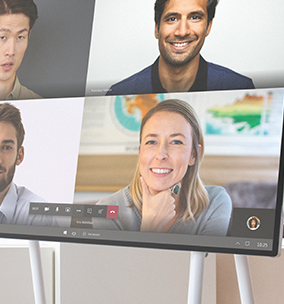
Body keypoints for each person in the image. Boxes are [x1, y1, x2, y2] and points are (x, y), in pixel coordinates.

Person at [106, 0, 254, 94]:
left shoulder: (239, 88)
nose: (182, 32)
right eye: (172, 19)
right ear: (157, 28)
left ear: (208, 26)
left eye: (194, 17)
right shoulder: (121, 93)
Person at [95, 98, 231, 235]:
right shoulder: (107, 210)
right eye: (151, 142)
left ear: (193, 155)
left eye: (176, 142)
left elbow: (204, 257)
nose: (161, 155)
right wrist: (151, 226)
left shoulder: (215, 202)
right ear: (140, 152)